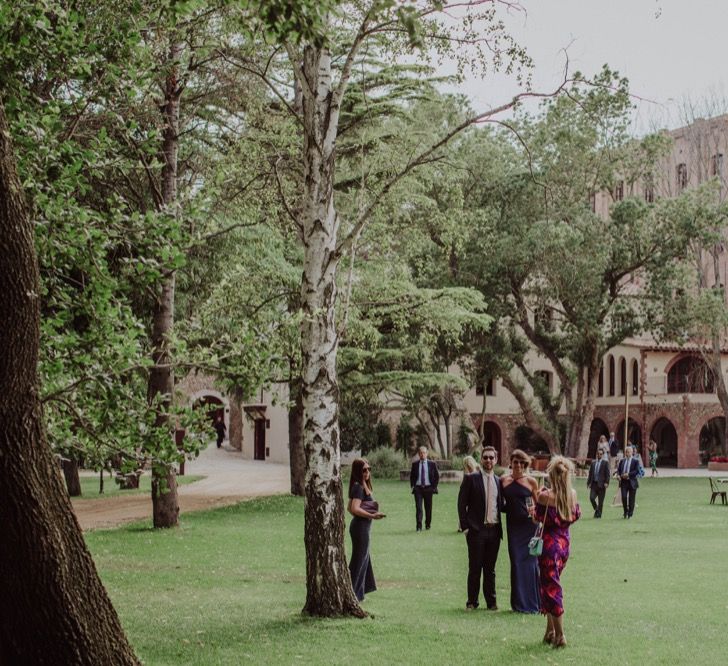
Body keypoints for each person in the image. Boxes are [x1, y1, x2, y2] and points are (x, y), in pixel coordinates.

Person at [534, 456, 581, 649]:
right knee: (549, 586)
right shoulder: (573, 495)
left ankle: (560, 635)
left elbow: (536, 518)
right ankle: (549, 631)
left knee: (552, 589)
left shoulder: (545, 496)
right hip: (564, 546)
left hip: (548, 546)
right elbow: (575, 516)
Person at [457, 446, 503, 611]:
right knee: (475, 567)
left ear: (496, 460)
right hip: (476, 530)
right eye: (485, 457)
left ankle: (492, 603)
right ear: (481, 459)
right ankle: (472, 602)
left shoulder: (499, 481)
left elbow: (501, 505)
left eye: (491, 457)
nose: (488, 460)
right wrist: (465, 528)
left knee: (490, 570)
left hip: (494, 530)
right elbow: (462, 503)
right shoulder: (471, 479)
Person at [500, 449, 540, 613]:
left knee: (531, 563)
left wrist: (534, 513)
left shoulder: (531, 482)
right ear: (511, 463)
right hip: (513, 528)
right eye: (515, 462)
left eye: (521, 462)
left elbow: (539, 504)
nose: (517, 465)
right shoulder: (503, 481)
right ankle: (518, 604)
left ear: (524, 464)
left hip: (529, 527)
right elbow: (500, 504)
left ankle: (532, 603)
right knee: (516, 563)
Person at [347, 459, 385, 602]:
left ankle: (359, 593)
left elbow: (349, 508)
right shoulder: (358, 487)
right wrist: (371, 516)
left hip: (362, 527)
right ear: (358, 471)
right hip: (360, 528)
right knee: (359, 560)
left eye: (369, 469)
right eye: (364, 470)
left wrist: (367, 516)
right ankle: (352, 594)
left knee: (364, 559)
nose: (367, 472)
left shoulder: (362, 486)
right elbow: (354, 508)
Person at [410, 446, 439, 531]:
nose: (422, 454)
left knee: (428, 508)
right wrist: (413, 486)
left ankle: (428, 524)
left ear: (427, 453)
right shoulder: (415, 464)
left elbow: (437, 476)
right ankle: (419, 526)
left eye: (424, 453)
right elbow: (412, 476)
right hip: (418, 489)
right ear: (419, 454)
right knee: (419, 508)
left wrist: (434, 487)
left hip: (428, 488)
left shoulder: (432, 464)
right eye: (421, 453)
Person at [586, 447, 610, 518]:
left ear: (602, 455)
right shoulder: (593, 463)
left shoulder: (605, 463)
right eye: (598, 454)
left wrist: (606, 482)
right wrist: (588, 483)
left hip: (602, 485)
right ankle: (597, 510)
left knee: (600, 502)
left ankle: (599, 515)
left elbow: (607, 474)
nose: (599, 455)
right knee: (591, 498)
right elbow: (590, 474)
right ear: (597, 454)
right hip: (594, 484)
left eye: (601, 454)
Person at [617, 445, 640, 518]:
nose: (627, 453)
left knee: (631, 499)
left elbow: (637, 471)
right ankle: (625, 511)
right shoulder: (622, 461)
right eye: (626, 452)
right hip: (624, 482)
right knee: (624, 497)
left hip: (632, 482)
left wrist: (628, 474)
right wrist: (618, 475)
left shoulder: (635, 461)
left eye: (629, 452)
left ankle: (630, 513)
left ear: (632, 452)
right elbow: (619, 470)